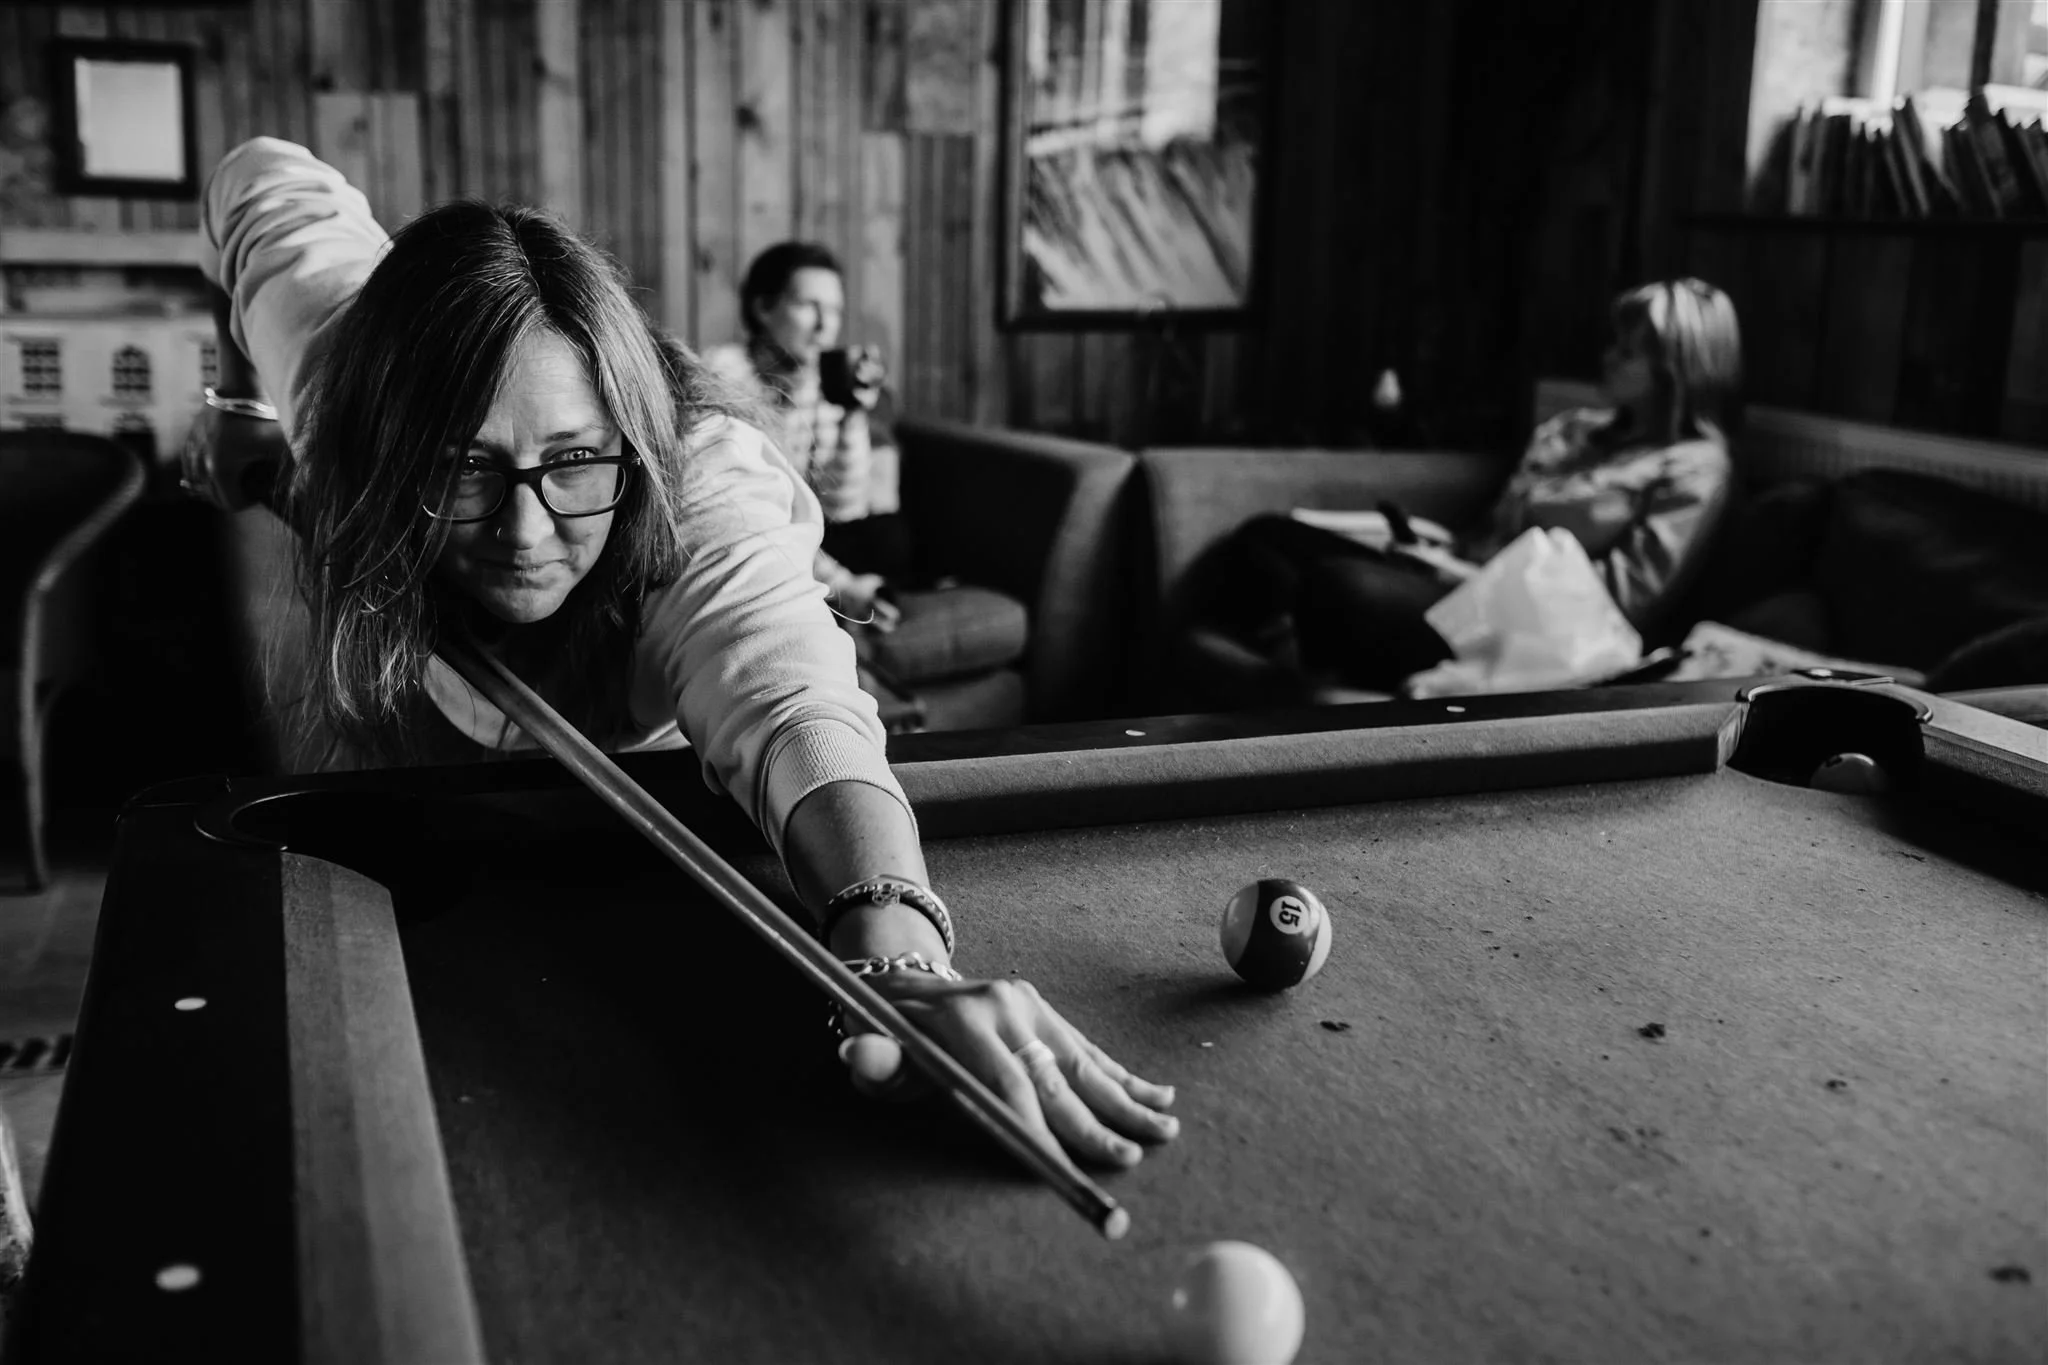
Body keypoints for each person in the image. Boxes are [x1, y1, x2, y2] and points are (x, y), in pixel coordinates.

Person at [181, 137, 1177, 1168]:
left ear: (631, 445)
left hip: (655, 788)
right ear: (386, 443)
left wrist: (894, 950)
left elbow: (790, 698)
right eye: (458, 466)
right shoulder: (332, 363)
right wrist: (238, 404)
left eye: (574, 460)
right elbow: (252, 177)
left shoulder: (697, 492)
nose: (525, 534)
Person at [1202, 278, 1741, 693]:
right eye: (1614, 344)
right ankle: (1304, 645)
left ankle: (1301, 645)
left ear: (1674, 371)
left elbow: (1622, 603)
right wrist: (1436, 552)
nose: (1608, 358)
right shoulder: (1580, 429)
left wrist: (1460, 573)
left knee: (1339, 586)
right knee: (1265, 537)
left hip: (1512, 622)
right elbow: (1492, 525)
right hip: (1456, 570)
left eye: (1627, 351)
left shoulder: (1694, 467)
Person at [701, 242, 908, 631]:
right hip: (750, 530)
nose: (825, 325)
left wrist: (852, 414)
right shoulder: (722, 377)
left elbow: (842, 507)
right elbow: (752, 512)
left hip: (813, 536)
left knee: (886, 534)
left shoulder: (824, 378)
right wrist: (841, 584)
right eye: (809, 306)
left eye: (835, 310)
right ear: (764, 308)